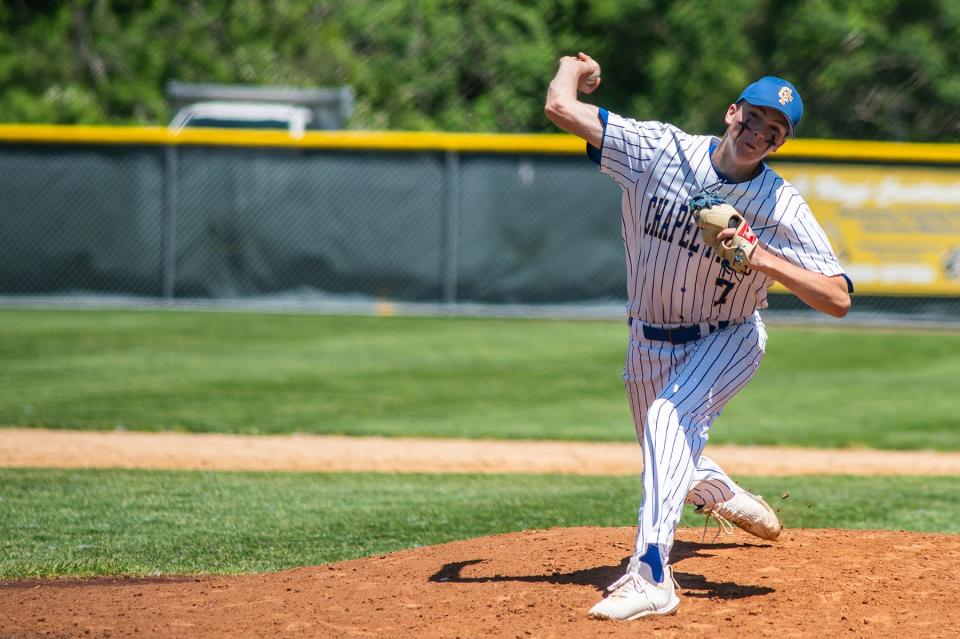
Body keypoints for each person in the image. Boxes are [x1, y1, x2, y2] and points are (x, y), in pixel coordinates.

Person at [544, 53, 853, 620]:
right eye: (754, 117)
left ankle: (651, 575)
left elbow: (837, 298)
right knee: (668, 454)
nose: (758, 133)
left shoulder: (779, 203)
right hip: (646, 339)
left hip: (728, 337)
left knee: (666, 421)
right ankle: (718, 491)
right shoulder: (659, 150)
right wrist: (570, 67)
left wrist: (762, 258)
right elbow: (560, 106)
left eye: (774, 131)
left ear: (780, 145)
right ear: (732, 112)